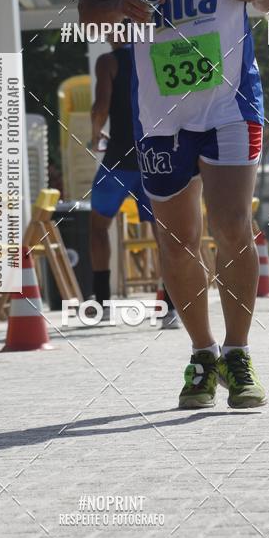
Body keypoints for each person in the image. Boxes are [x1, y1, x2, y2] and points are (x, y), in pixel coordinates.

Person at [79, 0, 269, 409]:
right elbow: (88, 9)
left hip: (231, 102)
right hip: (160, 114)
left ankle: (238, 354)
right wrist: (119, 6)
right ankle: (202, 354)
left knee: (232, 226)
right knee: (177, 240)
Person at [90, 45, 180, 328]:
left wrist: (95, 135)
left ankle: (102, 304)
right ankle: (171, 308)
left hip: (119, 160)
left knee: (97, 227)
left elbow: (100, 107)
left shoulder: (108, 62)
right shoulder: (158, 53)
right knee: (163, 235)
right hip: (155, 158)